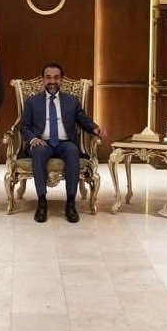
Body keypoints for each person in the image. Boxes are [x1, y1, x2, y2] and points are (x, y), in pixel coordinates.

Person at [19, 62, 108, 223]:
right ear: (43, 79)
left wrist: (95, 129)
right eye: (48, 77)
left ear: (61, 79)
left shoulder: (72, 101)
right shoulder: (33, 101)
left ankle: (71, 203)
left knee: (73, 151)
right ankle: (42, 202)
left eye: (56, 77)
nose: (52, 81)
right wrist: (33, 139)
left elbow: (83, 120)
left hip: (65, 143)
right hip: (42, 142)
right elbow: (24, 126)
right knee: (38, 151)